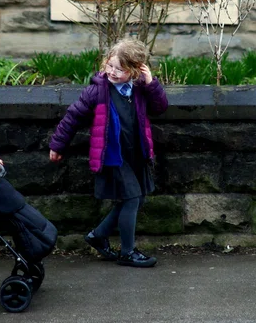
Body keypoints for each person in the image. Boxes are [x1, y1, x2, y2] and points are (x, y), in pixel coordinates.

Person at [48, 38, 168, 268]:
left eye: (120, 69)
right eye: (110, 66)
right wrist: (57, 145)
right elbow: (73, 117)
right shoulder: (97, 91)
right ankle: (127, 252)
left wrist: (152, 83)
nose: (112, 72)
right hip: (113, 155)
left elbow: (160, 107)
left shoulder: (141, 88)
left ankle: (98, 235)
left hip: (135, 153)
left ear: (135, 71)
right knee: (132, 198)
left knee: (137, 197)